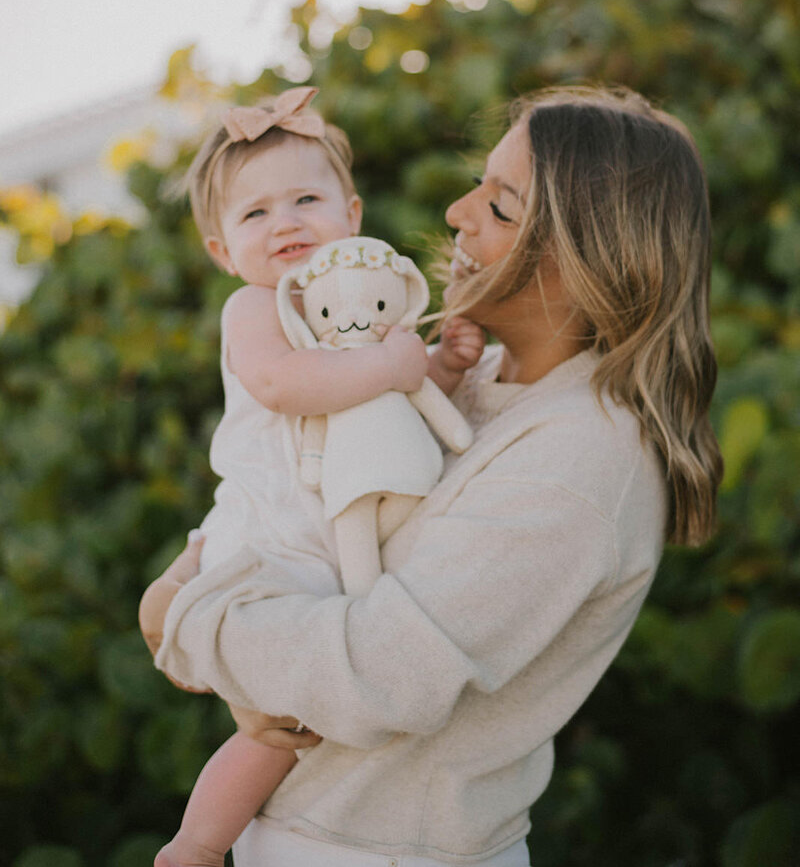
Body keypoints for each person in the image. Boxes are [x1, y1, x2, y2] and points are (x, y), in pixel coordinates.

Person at [145, 84, 723, 867]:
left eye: (501, 204)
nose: (457, 210)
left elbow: (375, 674)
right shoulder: (471, 379)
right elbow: (291, 484)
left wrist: (184, 616)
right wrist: (189, 568)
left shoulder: (583, 459)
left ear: (584, 255)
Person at [139, 86, 484, 867]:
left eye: (305, 198)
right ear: (223, 251)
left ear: (351, 214)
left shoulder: (361, 301)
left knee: (296, 729)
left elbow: (398, 403)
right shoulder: (254, 308)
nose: (286, 221)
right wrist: (392, 362)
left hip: (324, 542)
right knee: (270, 722)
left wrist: (442, 366)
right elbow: (286, 385)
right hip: (267, 533)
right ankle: (194, 844)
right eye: (255, 214)